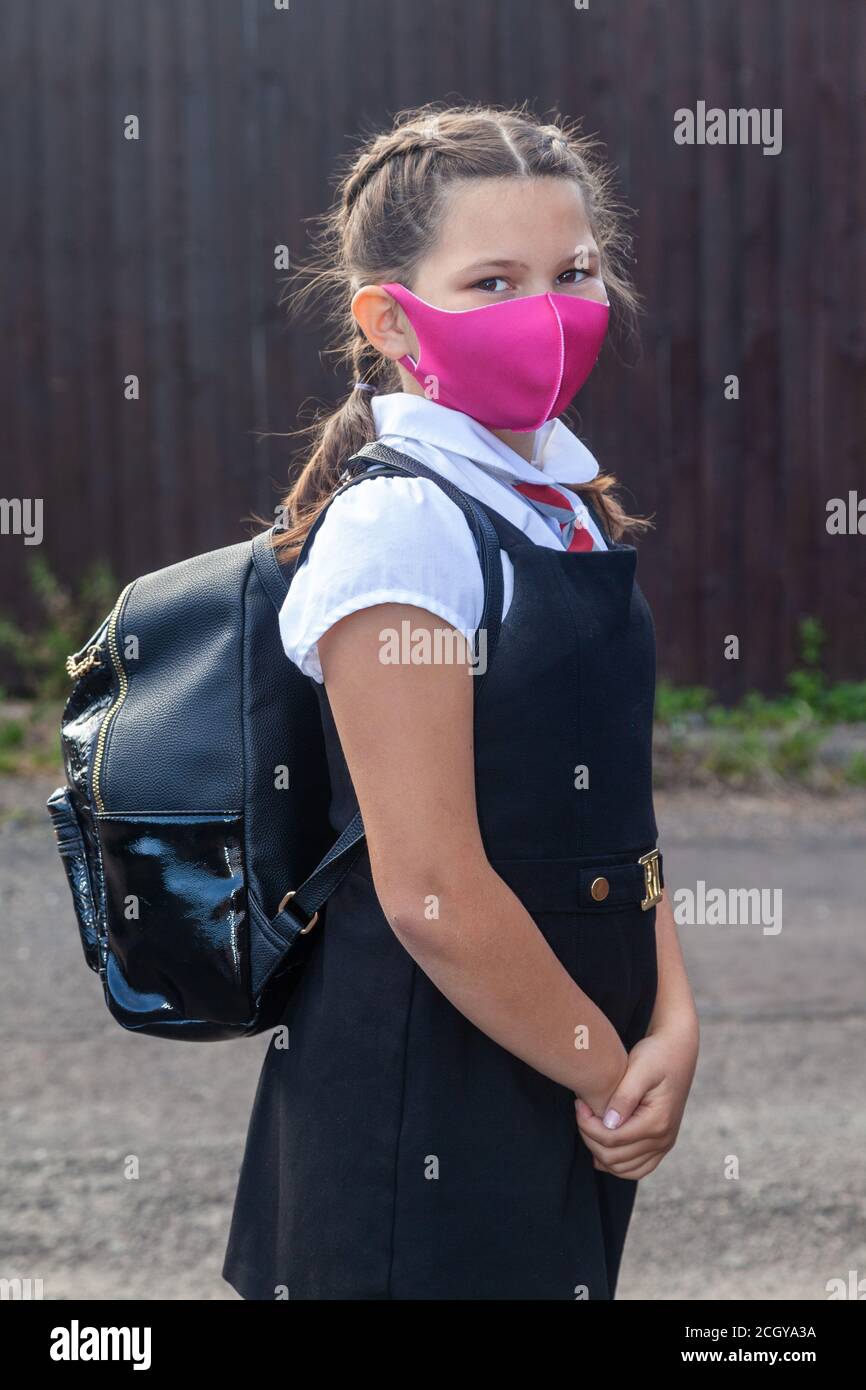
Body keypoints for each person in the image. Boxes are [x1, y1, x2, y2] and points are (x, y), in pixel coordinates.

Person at [223, 101, 699, 1302]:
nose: (547, 309)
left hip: (563, 1061)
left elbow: (617, 816)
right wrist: (603, 1063)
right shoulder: (404, 523)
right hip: (429, 1080)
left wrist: (672, 1022)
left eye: (572, 271)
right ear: (390, 319)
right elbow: (427, 886)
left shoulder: (565, 495)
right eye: (491, 280)